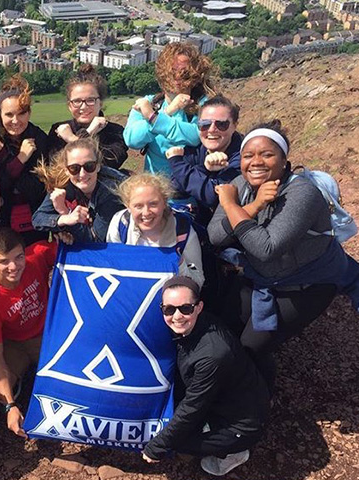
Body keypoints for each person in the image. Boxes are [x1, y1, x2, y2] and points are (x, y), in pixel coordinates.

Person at [207, 120, 355, 388]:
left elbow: (266, 249)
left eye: (267, 154)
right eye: (248, 155)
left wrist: (229, 204)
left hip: (306, 286)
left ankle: (256, 406)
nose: (256, 162)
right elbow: (216, 236)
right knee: (223, 331)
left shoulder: (302, 194)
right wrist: (254, 205)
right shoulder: (239, 184)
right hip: (261, 278)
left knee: (248, 350)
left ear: (284, 161)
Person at [142, 276, 269, 477]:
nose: (177, 316)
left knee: (180, 442)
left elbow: (192, 407)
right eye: (169, 309)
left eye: (185, 308)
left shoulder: (212, 355)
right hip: (227, 397)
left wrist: (157, 446)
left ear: (199, 307)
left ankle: (234, 452)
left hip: (240, 424)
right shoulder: (199, 325)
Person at [0, 228, 57, 437]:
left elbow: (74, 253)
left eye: (18, 257)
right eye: (4, 261)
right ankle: (20, 379)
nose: (13, 266)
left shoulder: (35, 256)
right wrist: (10, 405)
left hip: (47, 335)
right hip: (13, 344)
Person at [124, 42, 218, 176]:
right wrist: (168, 111)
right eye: (172, 72)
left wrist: (153, 118)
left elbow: (197, 136)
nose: (178, 77)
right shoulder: (151, 103)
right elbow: (132, 140)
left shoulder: (205, 105)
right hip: (155, 192)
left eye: (185, 72)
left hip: (190, 193)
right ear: (162, 73)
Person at [0, 75, 49, 245]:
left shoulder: (39, 139)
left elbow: (36, 188)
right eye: (9, 114)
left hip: (35, 223)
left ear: (29, 113)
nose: (16, 121)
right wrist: (20, 159)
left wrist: (3, 162)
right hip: (1, 223)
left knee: (35, 267)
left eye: (22, 113)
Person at [107, 173, 205, 288]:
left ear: (164, 202)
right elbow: (111, 267)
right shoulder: (121, 223)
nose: (146, 212)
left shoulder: (182, 230)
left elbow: (198, 281)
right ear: (127, 206)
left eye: (153, 204)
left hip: (169, 298)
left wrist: (179, 263)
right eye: (138, 206)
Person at [166, 94, 243, 228]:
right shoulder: (197, 148)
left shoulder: (244, 155)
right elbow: (174, 187)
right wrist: (204, 168)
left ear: (234, 126)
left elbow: (213, 196)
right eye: (204, 124)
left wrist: (177, 162)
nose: (212, 129)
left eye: (222, 124)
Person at [32, 137, 125, 243]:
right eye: (74, 168)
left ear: (98, 166)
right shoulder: (62, 184)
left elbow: (95, 240)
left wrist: (64, 212)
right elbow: (37, 219)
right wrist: (64, 220)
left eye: (89, 166)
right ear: (66, 170)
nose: (82, 174)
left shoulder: (110, 192)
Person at [47, 63, 128, 170]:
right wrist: (89, 133)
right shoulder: (58, 131)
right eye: (77, 101)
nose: (84, 107)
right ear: (69, 105)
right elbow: (57, 168)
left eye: (90, 100)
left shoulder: (115, 132)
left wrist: (72, 139)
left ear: (100, 103)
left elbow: (105, 166)